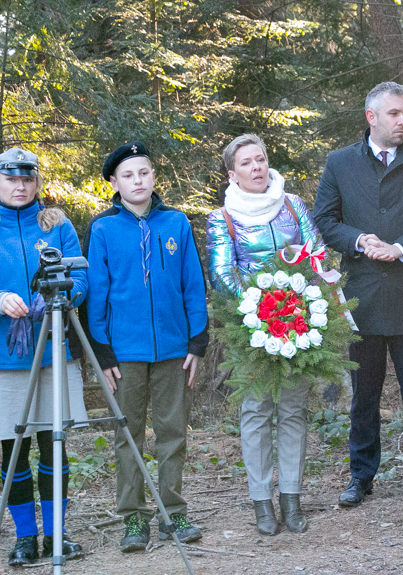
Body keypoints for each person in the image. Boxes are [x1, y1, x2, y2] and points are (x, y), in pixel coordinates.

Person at [313, 81, 403, 507]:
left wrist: (400, 247)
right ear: (371, 117)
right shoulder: (340, 164)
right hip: (361, 299)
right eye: (394, 114)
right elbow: (324, 219)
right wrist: (360, 240)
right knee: (364, 396)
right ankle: (361, 476)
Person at [83, 142, 208, 550]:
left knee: (173, 431)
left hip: (174, 349)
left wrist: (197, 341)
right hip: (124, 355)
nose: (138, 181)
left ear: (154, 177)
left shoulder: (176, 223)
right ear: (115, 183)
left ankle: (173, 512)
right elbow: (96, 295)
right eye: (128, 175)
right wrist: (102, 354)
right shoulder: (102, 229)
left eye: (144, 172)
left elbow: (193, 284)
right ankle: (133, 518)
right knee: (128, 435)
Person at [207, 133, 320, 535]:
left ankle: (291, 499)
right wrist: (261, 307)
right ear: (232, 173)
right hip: (251, 328)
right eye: (247, 163)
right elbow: (222, 273)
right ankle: (261, 504)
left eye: (261, 159)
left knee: (292, 411)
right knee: (256, 413)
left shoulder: (292, 204)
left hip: (299, 323)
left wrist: (298, 303)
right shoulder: (223, 217)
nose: (257, 168)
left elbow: (316, 251)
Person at [0, 148, 87, 566]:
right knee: (11, 450)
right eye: (12, 179)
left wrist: (61, 293)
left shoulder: (57, 223)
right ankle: (24, 537)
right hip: (4, 357)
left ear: (37, 181)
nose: (20, 186)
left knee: (54, 446)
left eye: (27, 179)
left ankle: (56, 534)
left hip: (53, 349)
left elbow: (82, 276)